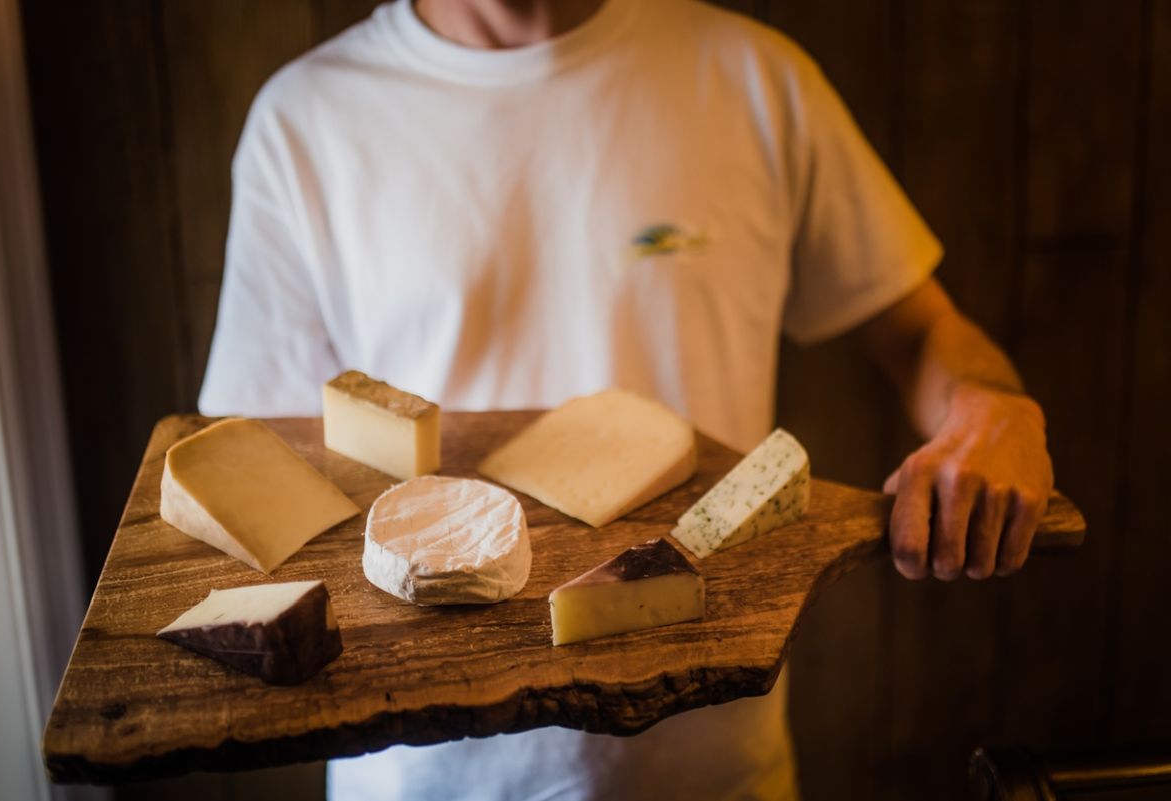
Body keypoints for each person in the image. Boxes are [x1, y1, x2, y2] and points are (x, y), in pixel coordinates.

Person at [197, 0, 1054, 798]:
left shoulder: (753, 75)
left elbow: (916, 329)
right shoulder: (306, 119)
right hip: (429, 772)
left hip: (711, 760)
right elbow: (253, 457)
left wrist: (994, 402)